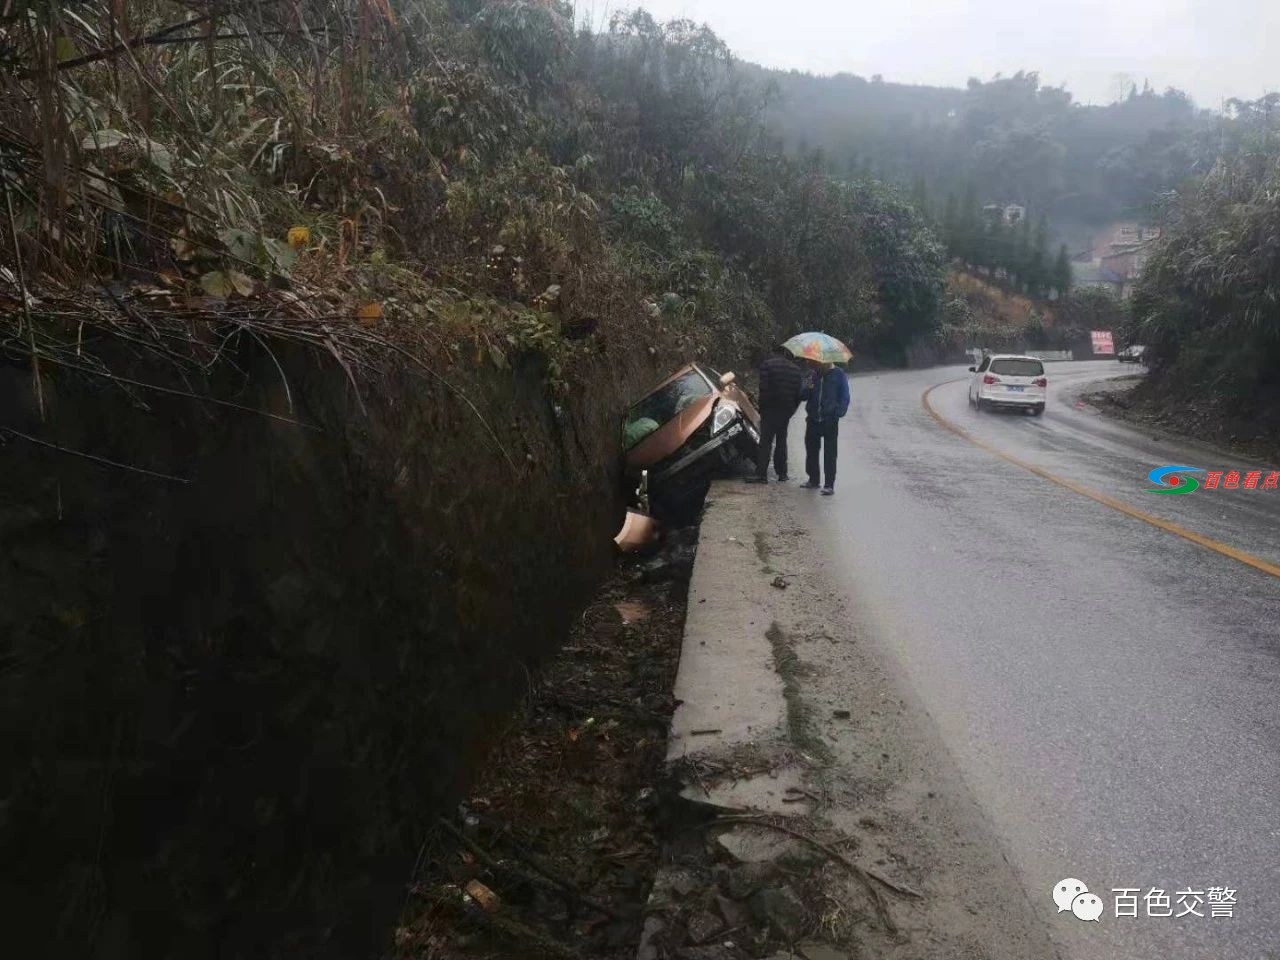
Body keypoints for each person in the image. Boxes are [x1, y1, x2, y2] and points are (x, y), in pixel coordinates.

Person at [745, 345, 804, 483]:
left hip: (770, 409)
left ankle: (761, 474)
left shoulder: (767, 365)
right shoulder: (795, 370)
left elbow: (763, 389)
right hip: (786, 410)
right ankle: (782, 473)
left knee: (766, 442)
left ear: (773, 352)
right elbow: (798, 394)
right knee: (781, 441)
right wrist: (791, 410)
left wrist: (762, 408)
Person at [799, 361, 850, 495]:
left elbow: (845, 395)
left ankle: (829, 485)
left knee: (830, 454)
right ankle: (813, 480)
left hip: (830, 420)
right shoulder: (813, 374)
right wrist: (807, 386)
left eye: (822, 363)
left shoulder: (839, 374)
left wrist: (838, 412)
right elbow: (802, 395)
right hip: (813, 419)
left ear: (829, 361)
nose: (819, 365)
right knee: (811, 451)